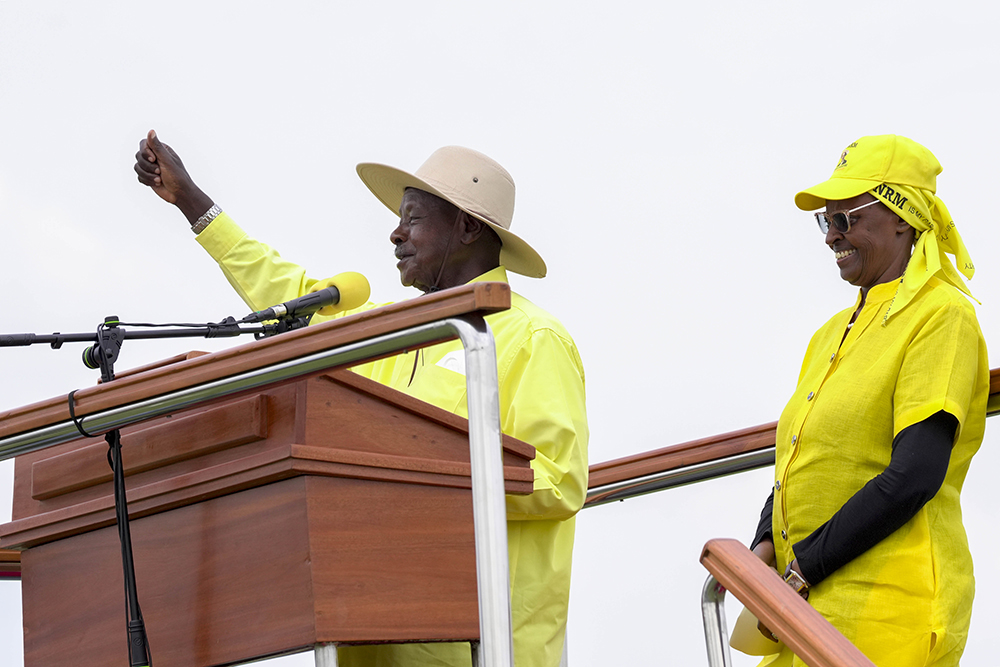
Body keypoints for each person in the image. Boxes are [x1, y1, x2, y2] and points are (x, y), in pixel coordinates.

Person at [133, 131, 589, 667]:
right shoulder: (395, 333)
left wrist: (417, 475)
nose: (395, 234)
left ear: (467, 226)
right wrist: (193, 203)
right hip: (371, 637)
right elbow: (293, 299)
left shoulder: (532, 336)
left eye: (413, 218)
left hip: (482, 648)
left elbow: (559, 482)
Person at [747, 135, 988, 667]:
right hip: (801, 604)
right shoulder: (828, 334)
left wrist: (802, 568)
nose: (832, 235)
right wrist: (763, 545)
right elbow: (800, 459)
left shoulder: (940, 314)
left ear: (903, 217)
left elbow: (916, 474)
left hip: (884, 607)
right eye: (825, 222)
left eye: (847, 219)